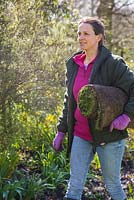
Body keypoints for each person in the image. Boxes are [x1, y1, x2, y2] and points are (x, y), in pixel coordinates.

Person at [53, 17, 134, 200]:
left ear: (99, 37)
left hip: (108, 136)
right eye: (79, 33)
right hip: (80, 135)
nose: (81, 37)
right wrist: (61, 130)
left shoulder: (113, 64)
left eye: (86, 34)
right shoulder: (74, 64)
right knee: (73, 187)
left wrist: (126, 116)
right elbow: (70, 99)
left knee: (113, 186)